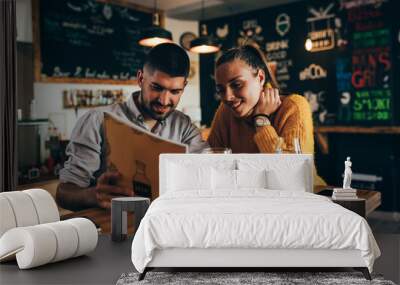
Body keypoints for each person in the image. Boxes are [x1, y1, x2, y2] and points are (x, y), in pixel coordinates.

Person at [57, 43, 208, 210]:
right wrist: (95, 195)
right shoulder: (97, 120)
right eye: (156, 88)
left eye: (175, 91)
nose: (164, 101)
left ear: (184, 87)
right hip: (114, 227)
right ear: (140, 79)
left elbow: (208, 172)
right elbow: (64, 193)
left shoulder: (184, 127)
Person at [207, 44, 326, 187]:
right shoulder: (225, 111)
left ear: (261, 78)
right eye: (221, 90)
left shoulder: (294, 106)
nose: (228, 97)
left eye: (237, 84)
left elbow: (292, 176)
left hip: (303, 199)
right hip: (251, 199)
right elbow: (210, 164)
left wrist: (261, 119)